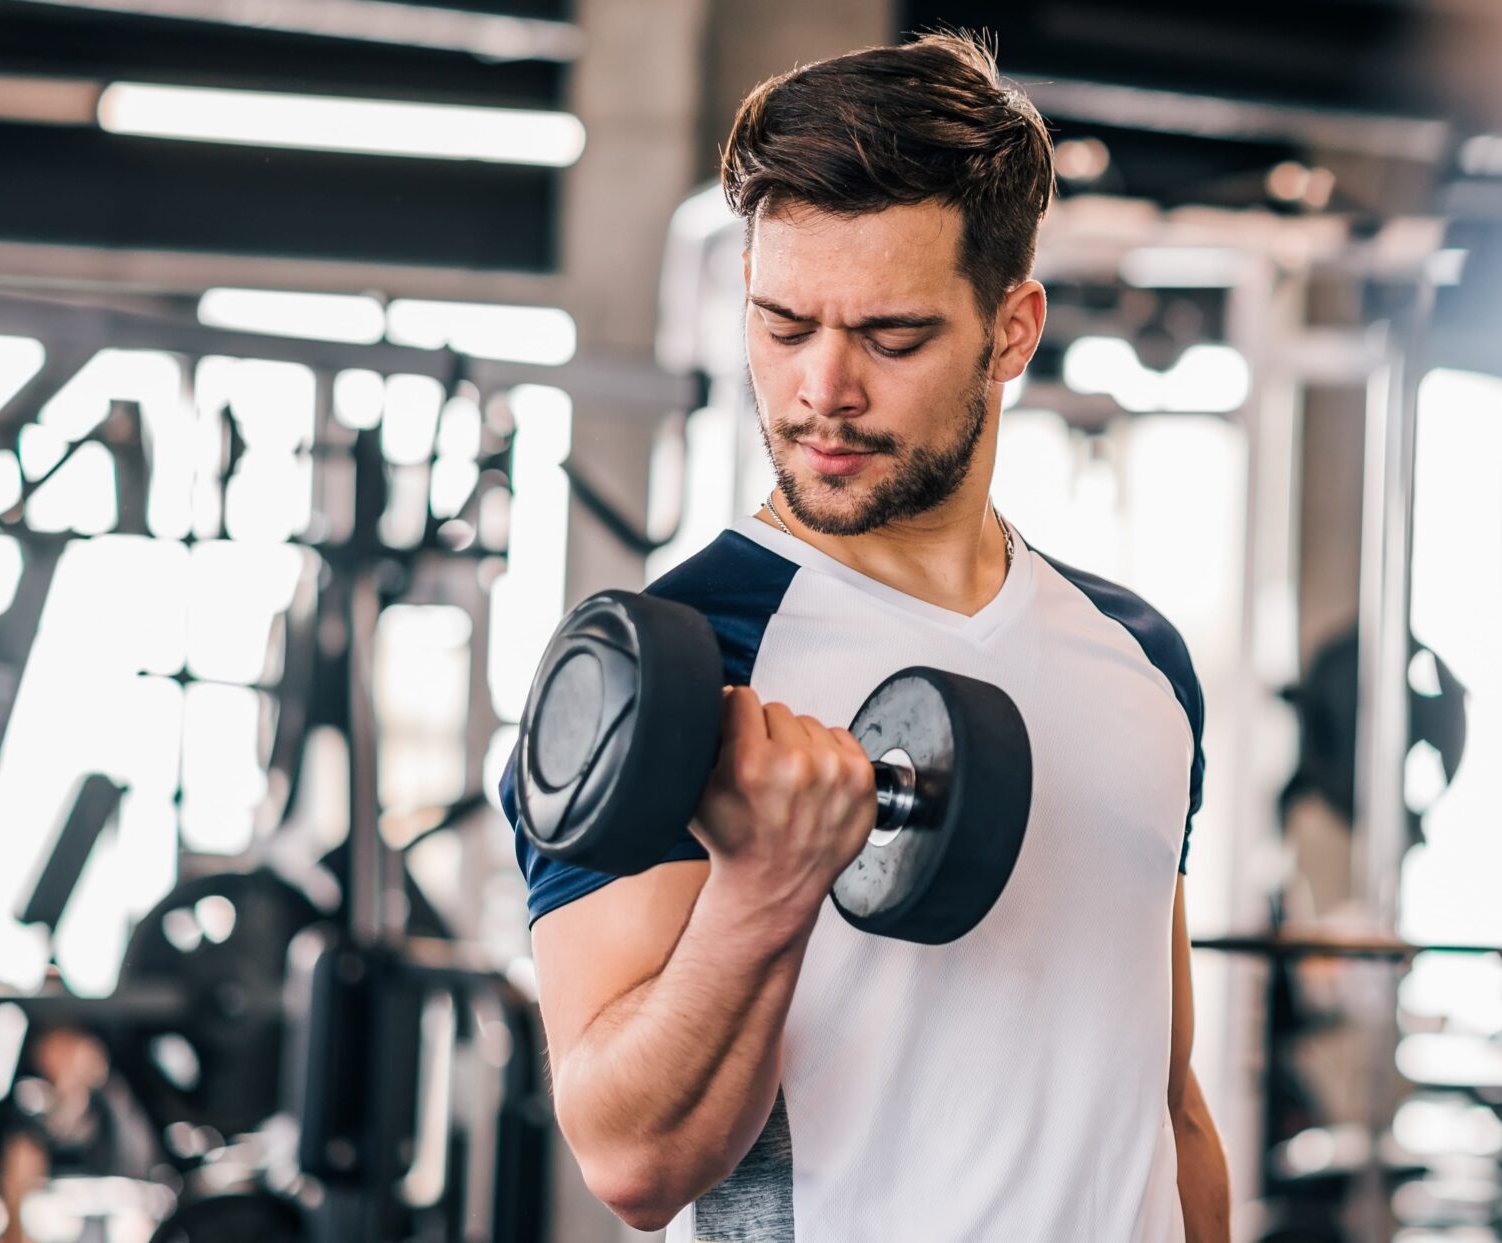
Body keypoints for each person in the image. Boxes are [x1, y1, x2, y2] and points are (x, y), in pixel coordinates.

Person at [499, 31, 1230, 1243]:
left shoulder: (1140, 657)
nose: (819, 392)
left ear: (1011, 329)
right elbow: (629, 1159)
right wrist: (768, 885)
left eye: (891, 339)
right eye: (782, 326)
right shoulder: (675, 659)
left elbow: (1164, 1103)